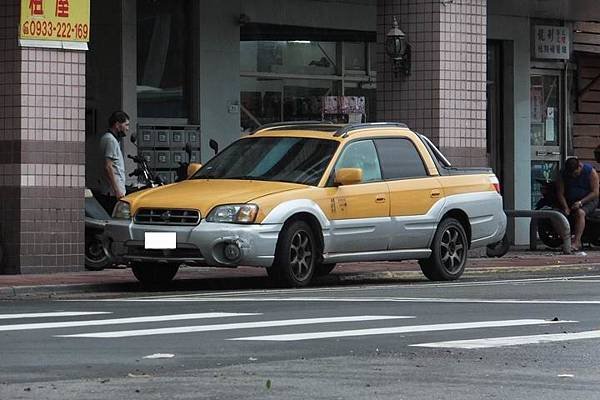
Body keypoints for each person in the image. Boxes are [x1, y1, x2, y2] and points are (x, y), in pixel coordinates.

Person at [557, 157, 599, 251]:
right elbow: (560, 193)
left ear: (579, 166)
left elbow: (595, 192)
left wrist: (581, 202)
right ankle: (566, 239)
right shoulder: (562, 174)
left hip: (588, 200)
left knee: (580, 213)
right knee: (557, 215)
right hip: (570, 200)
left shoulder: (590, 172)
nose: (573, 176)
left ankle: (577, 242)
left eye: (575, 174)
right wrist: (565, 207)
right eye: (571, 175)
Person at [91, 111, 130, 215]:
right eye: (126, 125)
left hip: (110, 190)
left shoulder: (110, 139)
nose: (127, 128)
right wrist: (117, 189)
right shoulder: (110, 140)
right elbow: (108, 167)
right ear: (117, 125)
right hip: (112, 193)